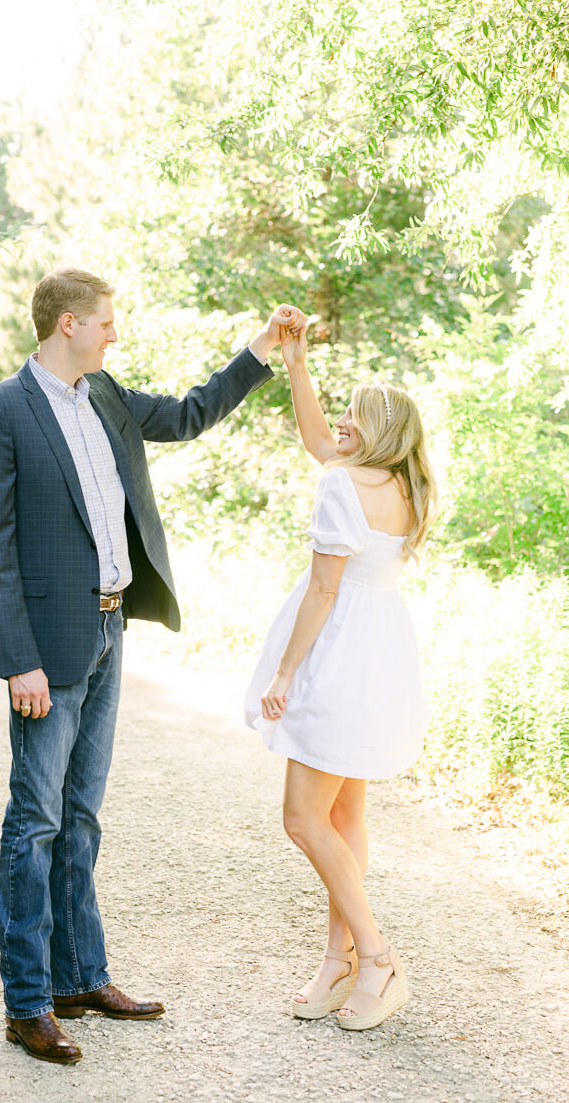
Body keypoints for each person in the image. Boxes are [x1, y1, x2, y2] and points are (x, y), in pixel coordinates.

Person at [0, 266, 304, 1065]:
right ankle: (26, 1003)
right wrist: (20, 661)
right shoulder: (1, 413)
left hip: (113, 631)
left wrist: (260, 349)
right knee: (35, 820)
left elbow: (188, 414)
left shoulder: (105, 395)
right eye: (106, 323)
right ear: (68, 324)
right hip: (48, 650)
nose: (115, 334)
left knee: (81, 816)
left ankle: (81, 977)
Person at [244, 320, 437, 1032]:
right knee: (344, 815)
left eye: (355, 412)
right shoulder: (404, 483)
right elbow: (320, 442)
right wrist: (297, 367)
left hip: (337, 654)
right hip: (383, 654)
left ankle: (378, 956)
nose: (342, 422)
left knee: (301, 818)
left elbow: (324, 592)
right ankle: (338, 960)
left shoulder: (340, 485)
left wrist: (286, 673)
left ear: (378, 430)